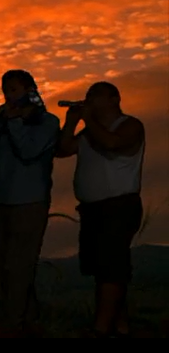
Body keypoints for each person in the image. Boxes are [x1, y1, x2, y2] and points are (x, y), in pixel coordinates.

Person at [55, 81, 145, 338]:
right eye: (87, 96)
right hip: (93, 210)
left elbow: (112, 144)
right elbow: (62, 149)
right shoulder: (88, 133)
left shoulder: (129, 125)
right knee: (103, 269)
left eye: (95, 95)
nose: (89, 100)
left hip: (118, 207)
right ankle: (120, 325)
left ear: (114, 99)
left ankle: (101, 328)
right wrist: (72, 123)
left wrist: (87, 121)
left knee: (111, 268)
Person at [0, 70, 60, 337]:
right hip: (3, 199)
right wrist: (2, 120)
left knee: (20, 264)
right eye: (5, 90)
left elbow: (28, 151)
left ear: (30, 89)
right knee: (4, 263)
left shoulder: (48, 122)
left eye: (13, 89)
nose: (9, 95)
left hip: (30, 201)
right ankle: (28, 319)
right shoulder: (7, 118)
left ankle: (12, 324)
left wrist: (15, 123)